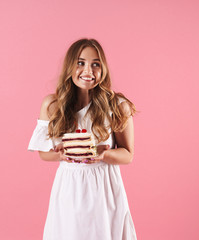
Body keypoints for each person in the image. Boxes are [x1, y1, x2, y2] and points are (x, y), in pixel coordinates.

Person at [28, 38, 137, 239]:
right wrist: (62, 154)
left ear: (103, 68)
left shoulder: (117, 105)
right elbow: (43, 153)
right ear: (70, 66)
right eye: (80, 63)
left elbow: (127, 155)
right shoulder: (52, 104)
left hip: (105, 190)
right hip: (70, 188)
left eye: (96, 64)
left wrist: (103, 154)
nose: (88, 70)